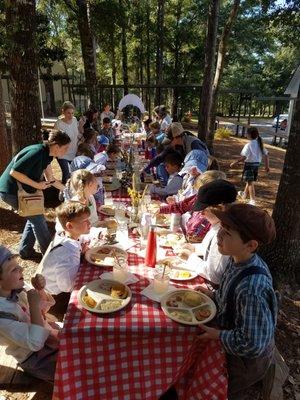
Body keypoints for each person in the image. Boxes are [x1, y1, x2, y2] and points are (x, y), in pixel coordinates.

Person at [197, 204, 277, 400]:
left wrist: (218, 335)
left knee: (227, 391)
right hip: (232, 338)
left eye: (227, 233)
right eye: (221, 229)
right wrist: (213, 295)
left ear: (251, 245)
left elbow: (252, 344)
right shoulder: (236, 260)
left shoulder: (251, 288)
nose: (219, 236)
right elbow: (230, 297)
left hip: (244, 362)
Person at [0, 130, 70, 259]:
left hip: (20, 191)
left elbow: (51, 179)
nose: (67, 151)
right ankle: (50, 256)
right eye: (65, 148)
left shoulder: (47, 155)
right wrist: (37, 185)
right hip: (10, 191)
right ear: (56, 146)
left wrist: (68, 190)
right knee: (38, 220)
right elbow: (14, 172)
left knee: (34, 216)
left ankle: (25, 251)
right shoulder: (37, 152)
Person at [0, 245, 59, 382]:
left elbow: (43, 310)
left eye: (18, 265)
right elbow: (35, 342)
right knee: (71, 372)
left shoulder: (15, 288)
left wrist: (40, 290)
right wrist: (33, 304)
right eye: (14, 269)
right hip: (36, 356)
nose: (22, 269)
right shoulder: (2, 315)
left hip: (49, 336)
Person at [179, 179, 237, 285]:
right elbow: (209, 248)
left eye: (204, 209)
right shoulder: (216, 224)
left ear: (220, 208)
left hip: (214, 287)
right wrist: (194, 248)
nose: (201, 214)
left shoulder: (224, 234)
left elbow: (215, 275)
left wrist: (190, 257)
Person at [40, 201, 92, 296]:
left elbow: (83, 238)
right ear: (70, 226)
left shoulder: (66, 235)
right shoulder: (68, 253)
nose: (90, 223)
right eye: (85, 221)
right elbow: (67, 287)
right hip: (57, 298)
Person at [159, 170, 226, 242]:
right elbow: (182, 206)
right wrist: (162, 209)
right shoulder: (197, 198)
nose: (199, 196)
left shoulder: (217, 215)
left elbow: (212, 237)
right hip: (189, 237)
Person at [230, 127, 269, 205]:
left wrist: (235, 162)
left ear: (249, 135)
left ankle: (252, 200)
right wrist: (267, 166)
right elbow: (266, 155)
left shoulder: (248, 145)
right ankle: (244, 194)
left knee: (250, 182)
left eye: (247, 133)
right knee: (249, 180)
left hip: (249, 165)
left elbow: (244, 157)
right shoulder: (259, 144)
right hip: (256, 165)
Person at [55, 101, 81, 183]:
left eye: (72, 113)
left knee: (74, 174)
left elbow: (78, 133)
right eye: (68, 113)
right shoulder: (58, 124)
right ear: (63, 112)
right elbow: (54, 139)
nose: (71, 115)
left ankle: (72, 191)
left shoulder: (74, 120)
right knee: (66, 173)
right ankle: (63, 193)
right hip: (62, 153)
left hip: (74, 151)